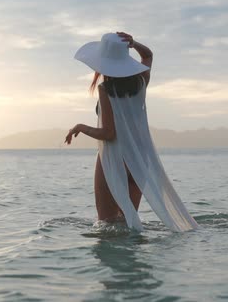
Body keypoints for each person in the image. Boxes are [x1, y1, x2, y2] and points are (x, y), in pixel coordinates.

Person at [64, 32, 199, 232]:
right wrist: (134, 44)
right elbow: (148, 56)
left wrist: (80, 127)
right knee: (128, 224)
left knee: (107, 225)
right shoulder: (142, 80)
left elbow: (109, 134)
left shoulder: (105, 89)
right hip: (139, 158)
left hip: (114, 157)